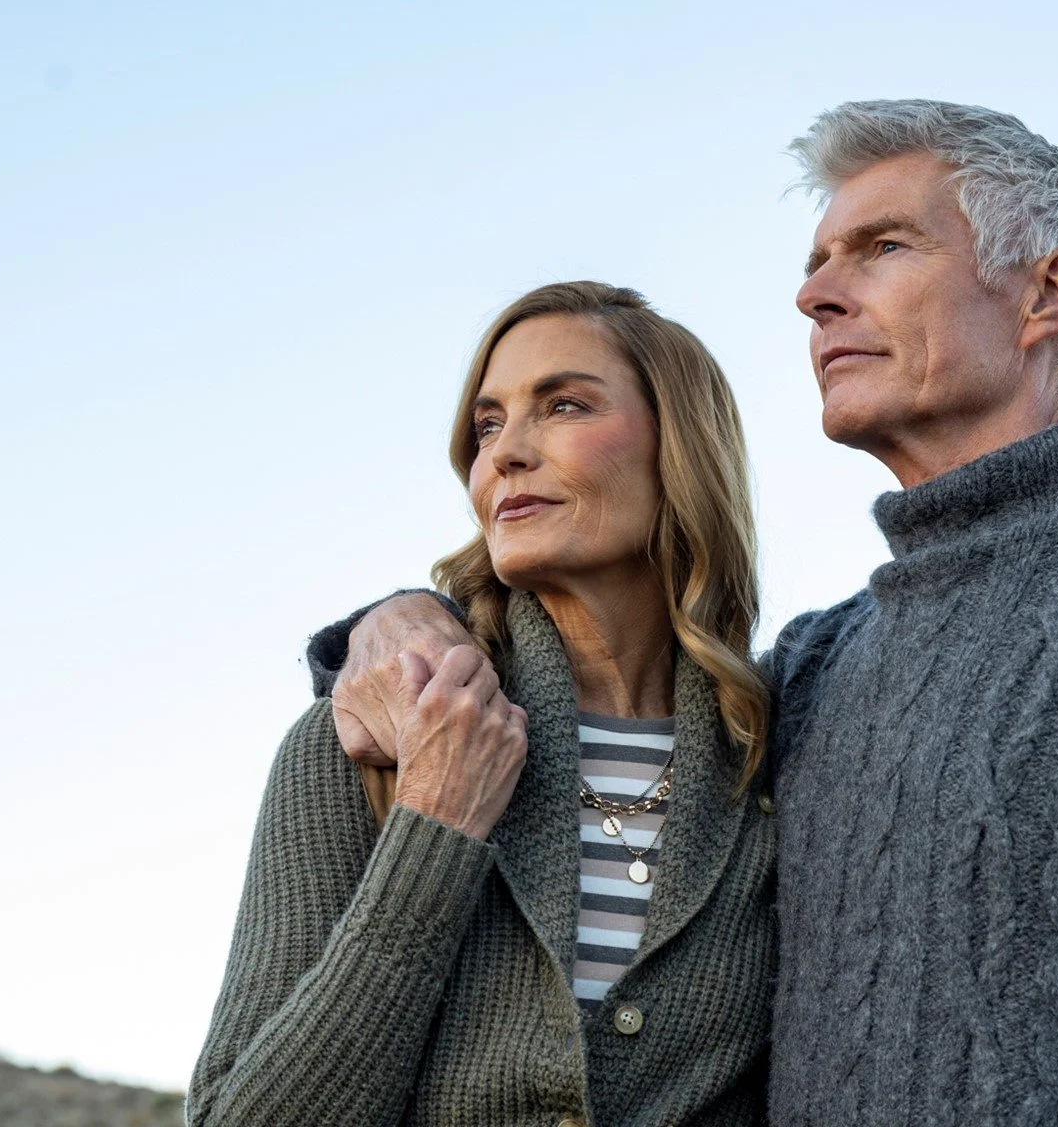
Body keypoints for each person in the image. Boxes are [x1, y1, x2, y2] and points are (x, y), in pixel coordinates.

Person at [318, 101, 1058, 1124]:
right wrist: (399, 618)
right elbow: (627, 694)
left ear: (1048, 294)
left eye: (883, 247)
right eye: (816, 264)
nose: (813, 293)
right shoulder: (817, 665)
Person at [187, 281, 777, 1127]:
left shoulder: (776, 756)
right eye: (488, 424)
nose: (504, 453)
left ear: (680, 444)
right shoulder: (367, 740)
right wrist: (437, 825)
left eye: (564, 405)